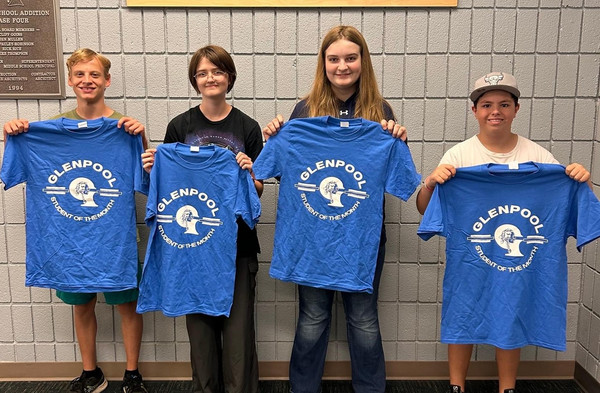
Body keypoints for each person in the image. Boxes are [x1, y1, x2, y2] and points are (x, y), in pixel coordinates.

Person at [415, 72, 591, 393]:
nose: (495, 111)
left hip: (523, 266)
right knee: (463, 317)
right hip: (470, 262)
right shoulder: (458, 157)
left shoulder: (539, 157)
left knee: (511, 316)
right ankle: (457, 386)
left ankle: (507, 388)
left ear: (516, 109)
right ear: (475, 111)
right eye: (487, 104)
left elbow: (571, 204)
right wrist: (431, 182)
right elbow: (426, 209)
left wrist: (583, 182)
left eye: (504, 104)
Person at [262, 25, 409, 393]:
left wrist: (398, 143)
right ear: (323, 64)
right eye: (334, 59)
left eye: (350, 58)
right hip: (312, 238)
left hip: (362, 239)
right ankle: (302, 388)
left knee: (363, 319)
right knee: (312, 317)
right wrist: (276, 138)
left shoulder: (381, 112)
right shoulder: (304, 111)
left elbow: (398, 180)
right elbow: (287, 174)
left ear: (363, 61)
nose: (342, 66)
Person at [2, 48, 148, 393]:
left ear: (107, 81)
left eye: (94, 75)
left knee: (128, 305)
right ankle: (91, 372)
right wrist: (12, 136)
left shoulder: (125, 128)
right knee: (82, 307)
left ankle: (132, 374)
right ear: (70, 80)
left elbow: (145, 179)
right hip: (67, 241)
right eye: (80, 74)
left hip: (114, 238)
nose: (87, 80)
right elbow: (11, 172)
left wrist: (142, 139)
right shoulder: (47, 131)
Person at [141, 45, 263, 393]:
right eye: (202, 73)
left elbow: (258, 193)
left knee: (239, 338)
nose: (210, 78)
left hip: (237, 246)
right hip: (191, 249)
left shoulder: (248, 127)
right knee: (201, 339)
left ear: (229, 77)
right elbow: (166, 188)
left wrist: (251, 175)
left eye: (217, 71)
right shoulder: (180, 126)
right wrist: (153, 168)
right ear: (195, 81)